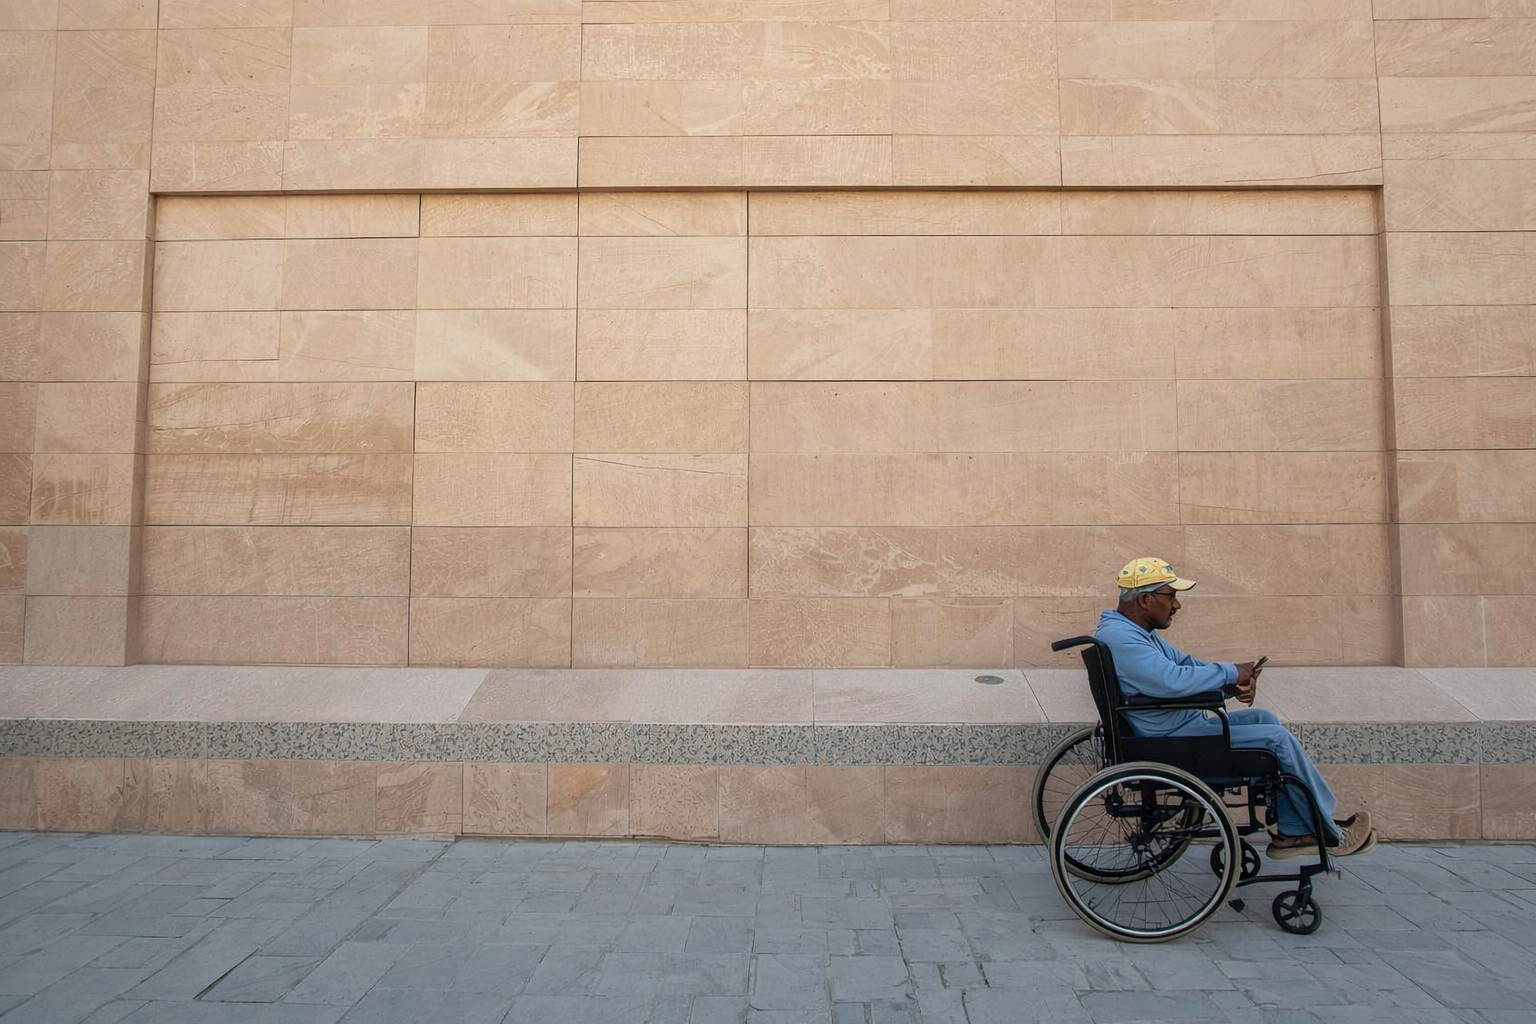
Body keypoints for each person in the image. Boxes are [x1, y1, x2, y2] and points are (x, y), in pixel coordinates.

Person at [1095, 556, 1377, 860]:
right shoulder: (1122, 638)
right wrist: (1230, 672)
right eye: (1171, 596)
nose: (1176, 605)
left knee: (1264, 718)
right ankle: (1325, 832)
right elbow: (1171, 680)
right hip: (1172, 738)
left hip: (1178, 727)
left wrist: (1233, 682)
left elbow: (1187, 664)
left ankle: (1295, 829)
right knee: (1276, 740)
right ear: (1145, 599)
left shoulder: (1135, 633)